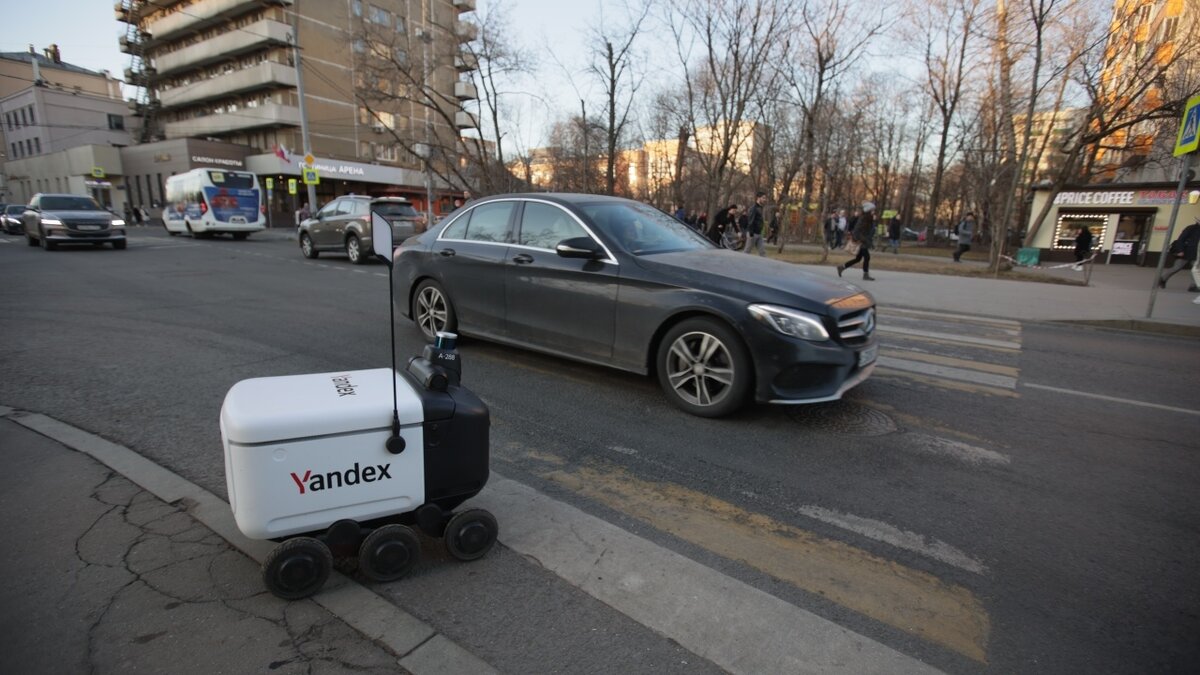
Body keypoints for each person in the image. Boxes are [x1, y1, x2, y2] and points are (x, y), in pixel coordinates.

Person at [837, 201, 877, 281]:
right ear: (868, 210)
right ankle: (865, 275)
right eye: (872, 210)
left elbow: (870, 230)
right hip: (862, 242)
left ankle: (842, 267)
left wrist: (874, 221)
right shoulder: (863, 219)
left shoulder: (868, 218)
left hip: (863, 241)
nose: (874, 211)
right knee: (867, 257)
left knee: (858, 259)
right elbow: (857, 231)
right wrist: (864, 240)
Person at [1158, 218, 1200, 291]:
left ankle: (1194, 286)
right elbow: (1181, 239)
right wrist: (1180, 250)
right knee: (1176, 267)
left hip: (1196, 254)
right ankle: (1162, 279)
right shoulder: (1190, 228)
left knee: (1195, 270)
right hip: (1186, 252)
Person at [744, 191, 767, 256]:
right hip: (753, 234)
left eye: (765, 198)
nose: (765, 199)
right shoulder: (753, 208)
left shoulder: (760, 208)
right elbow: (750, 221)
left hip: (759, 233)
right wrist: (751, 234)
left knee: (762, 252)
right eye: (763, 198)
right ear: (758, 198)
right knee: (747, 251)